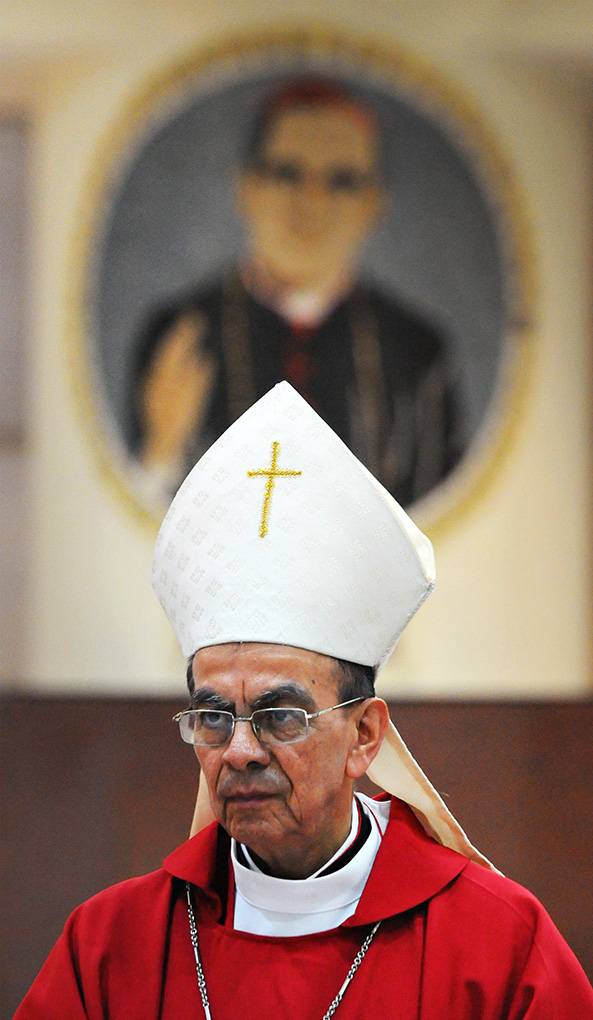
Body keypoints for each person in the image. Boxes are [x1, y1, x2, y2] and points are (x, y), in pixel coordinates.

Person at [17, 383, 593, 1018]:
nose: (238, 751)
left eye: (278, 716)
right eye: (213, 717)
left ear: (364, 736)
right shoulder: (112, 945)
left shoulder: (497, 943)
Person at [127, 78, 461, 509]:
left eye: (341, 181)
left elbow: (437, 521)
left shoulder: (420, 353)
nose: (312, 203)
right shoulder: (177, 337)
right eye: (288, 173)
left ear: (372, 205)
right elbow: (139, 507)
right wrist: (161, 451)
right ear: (247, 189)